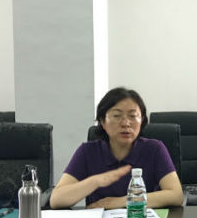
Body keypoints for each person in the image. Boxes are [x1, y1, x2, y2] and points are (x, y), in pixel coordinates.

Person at [50, 87, 184, 209]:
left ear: (142, 120)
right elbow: (56, 200)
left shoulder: (154, 149)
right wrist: (95, 181)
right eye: (117, 116)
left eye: (132, 116)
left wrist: (120, 201)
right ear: (103, 121)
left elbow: (176, 195)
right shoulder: (87, 152)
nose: (126, 123)